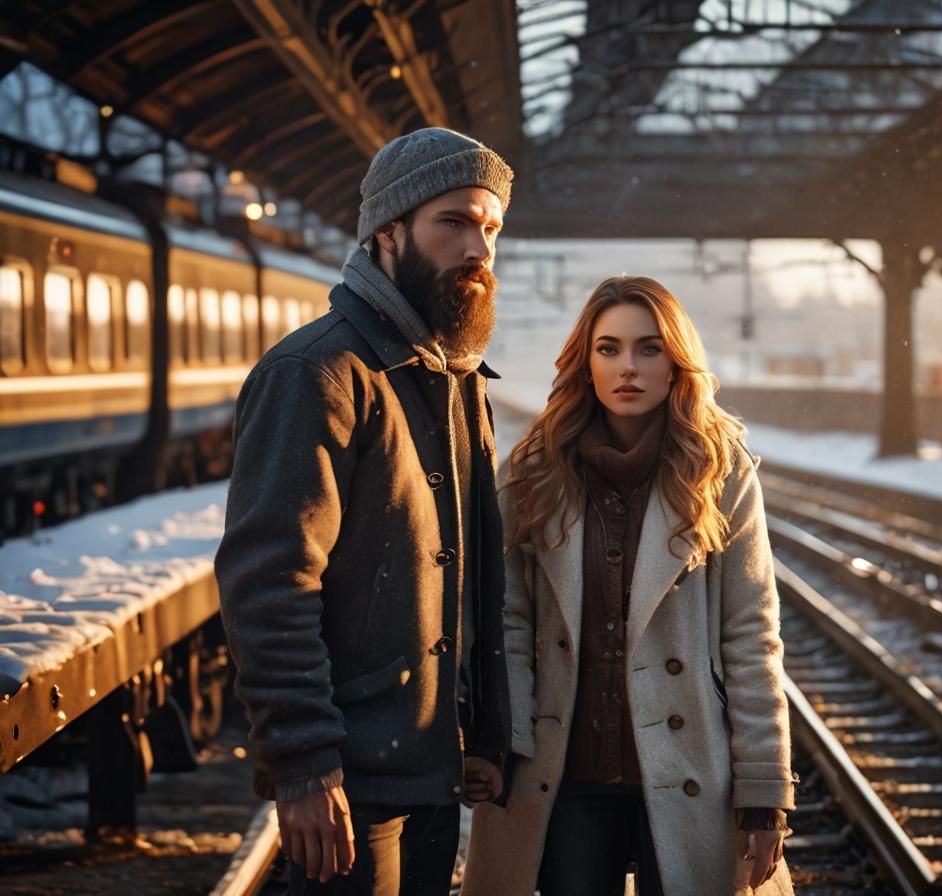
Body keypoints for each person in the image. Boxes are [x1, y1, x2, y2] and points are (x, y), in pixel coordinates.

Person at [215, 127, 514, 895]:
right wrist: (304, 764)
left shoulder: (457, 380)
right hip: (350, 779)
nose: (478, 246)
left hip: (431, 769)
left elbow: (470, 570)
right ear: (388, 230)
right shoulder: (317, 373)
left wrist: (481, 729)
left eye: (490, 227)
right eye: (454, 222)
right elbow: (270, 583)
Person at [463, 276, 796, 896]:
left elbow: (751, 633)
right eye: (609, 348)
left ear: (677, 363)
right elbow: (507, 618)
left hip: (691, 768)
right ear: (584, 363)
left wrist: (764, 788)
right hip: (562, 774)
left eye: (649, 348)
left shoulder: (718, 472)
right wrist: (503, 742)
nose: (628, 367)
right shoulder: (535, 471)